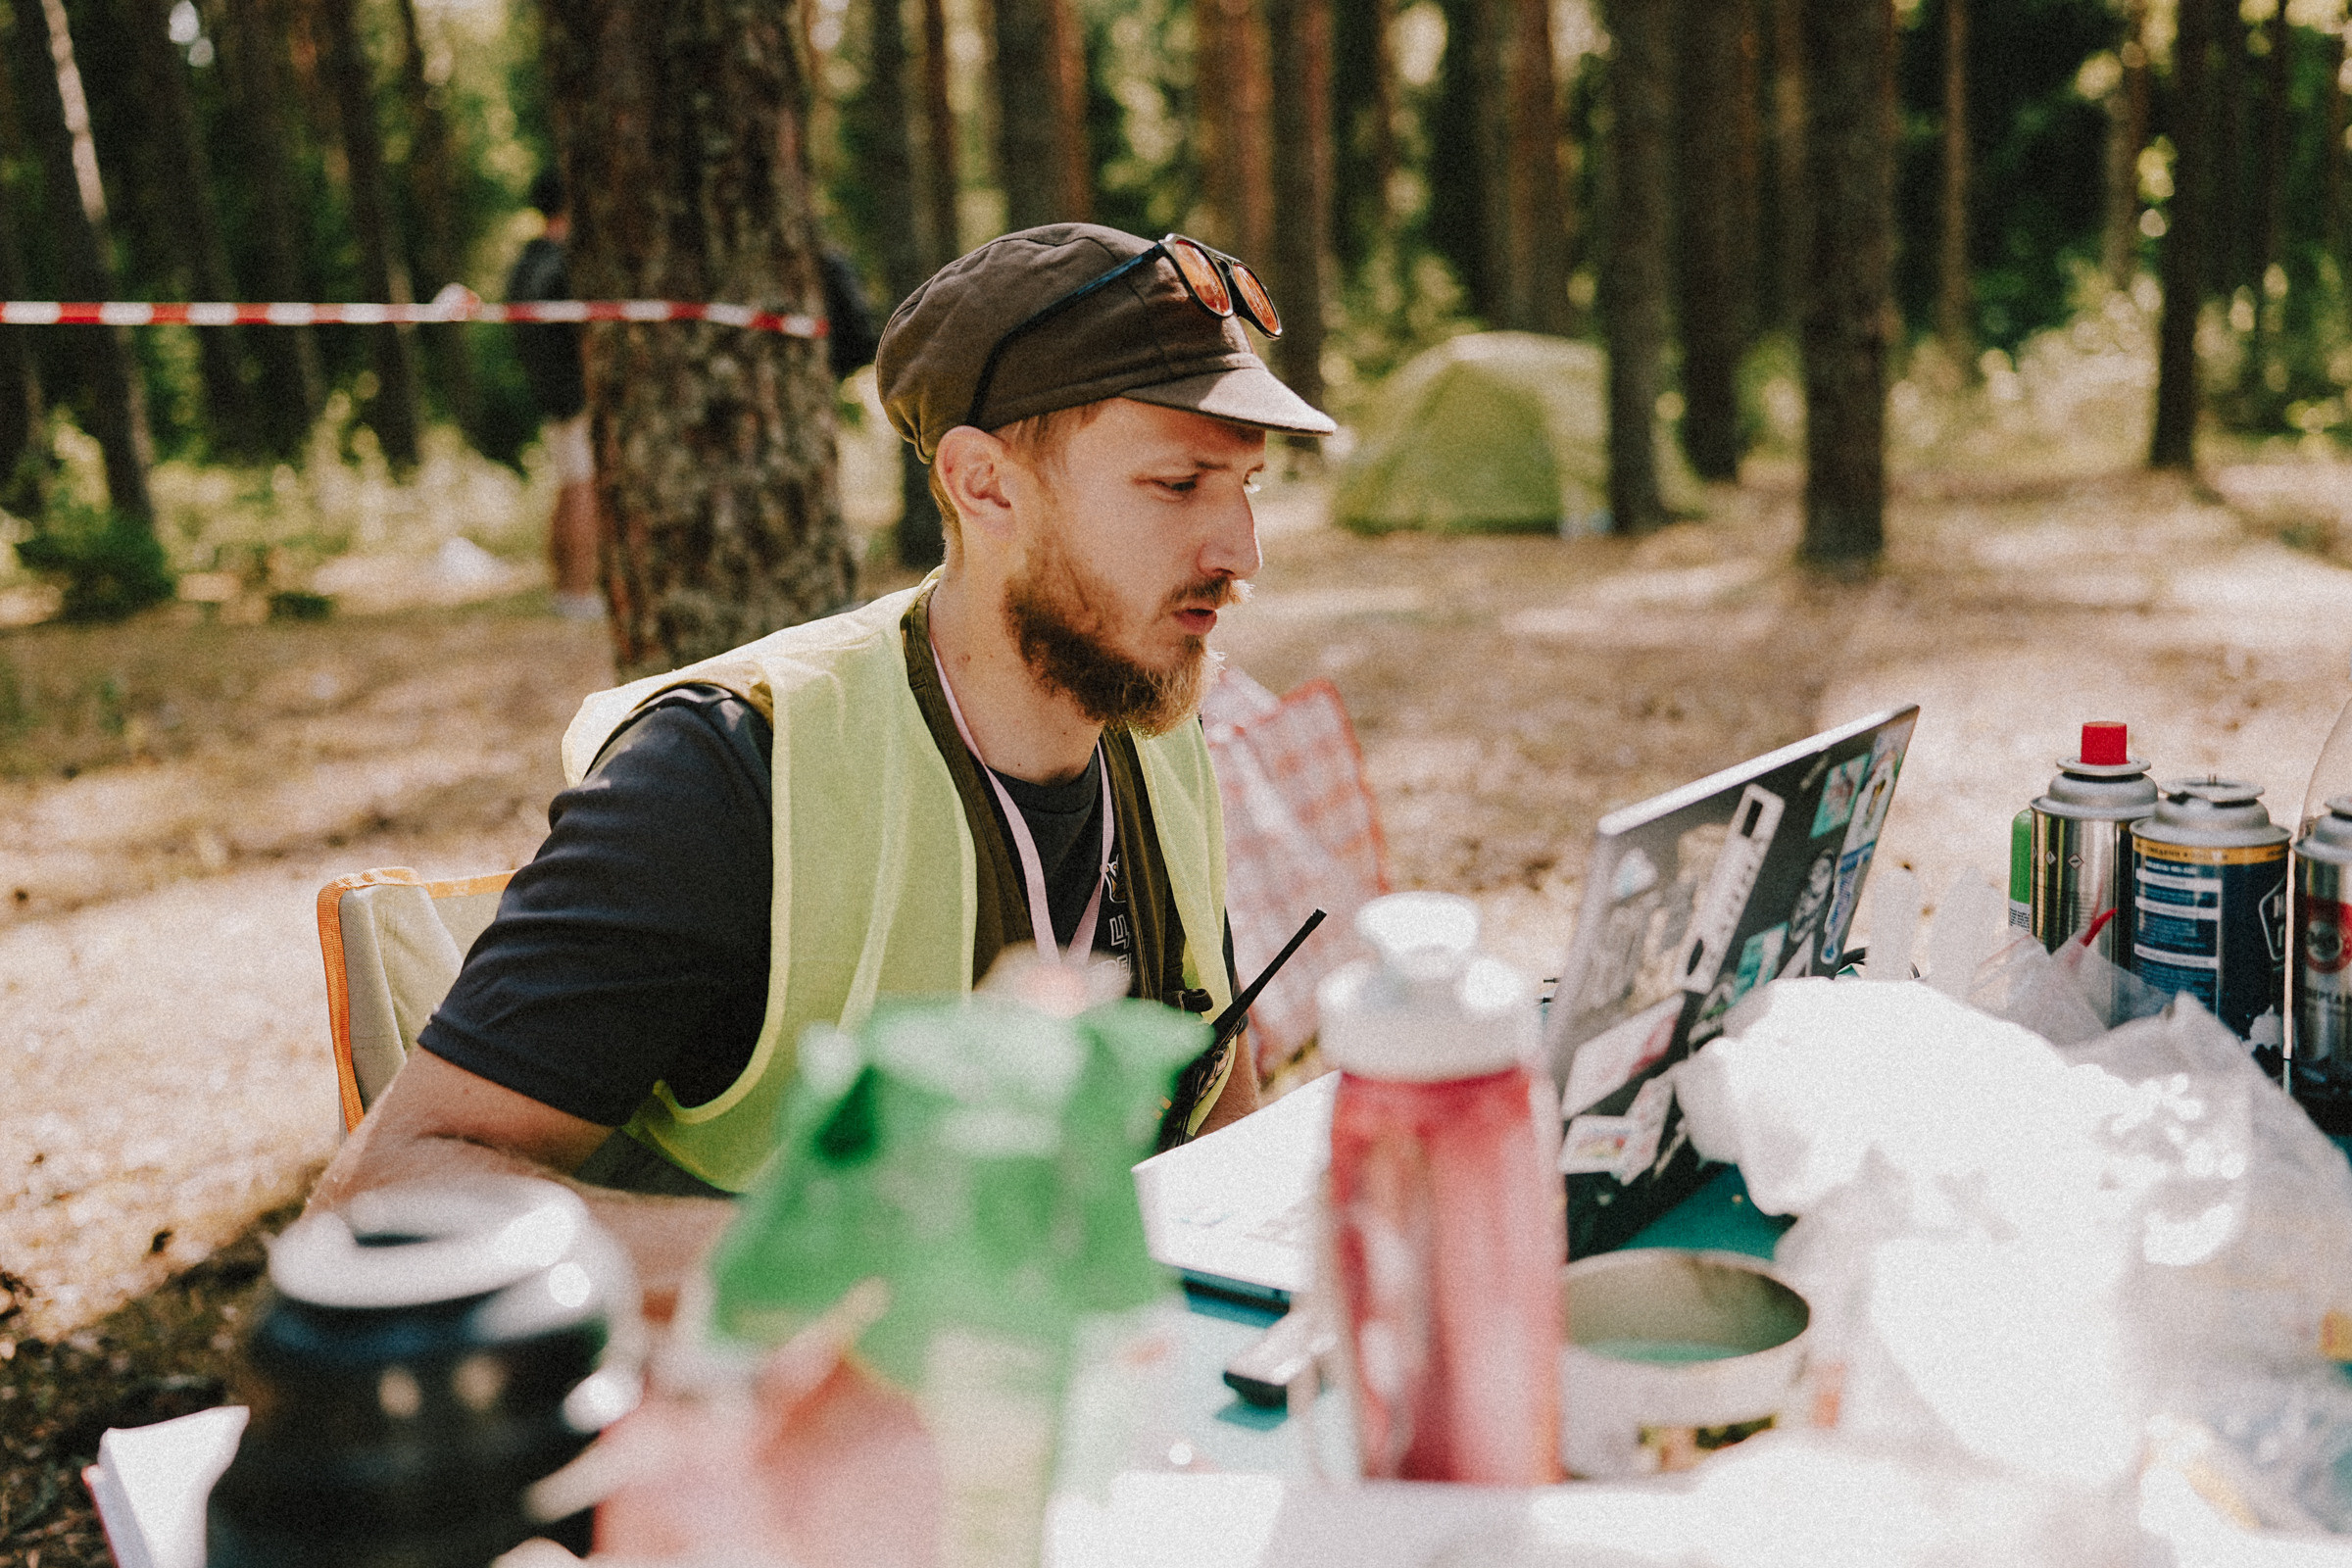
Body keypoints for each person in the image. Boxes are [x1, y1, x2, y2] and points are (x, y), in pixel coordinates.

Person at [313, 223, 1338, 1311]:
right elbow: (388, 1198)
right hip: (739, 1446)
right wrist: (860, 1259)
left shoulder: (1155, 730)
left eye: (1250, 486)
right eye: (1179, 484)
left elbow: (1215, 1126)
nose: (1241, 554)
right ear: (984, 485)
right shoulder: (722, 775)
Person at [507, 171, 602, 620]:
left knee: (568, 489)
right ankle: (579, 592)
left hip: (546, 390)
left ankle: (565, 588)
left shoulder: (525, 263)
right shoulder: (563, 265)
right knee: (583, 490)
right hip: (573, 392)